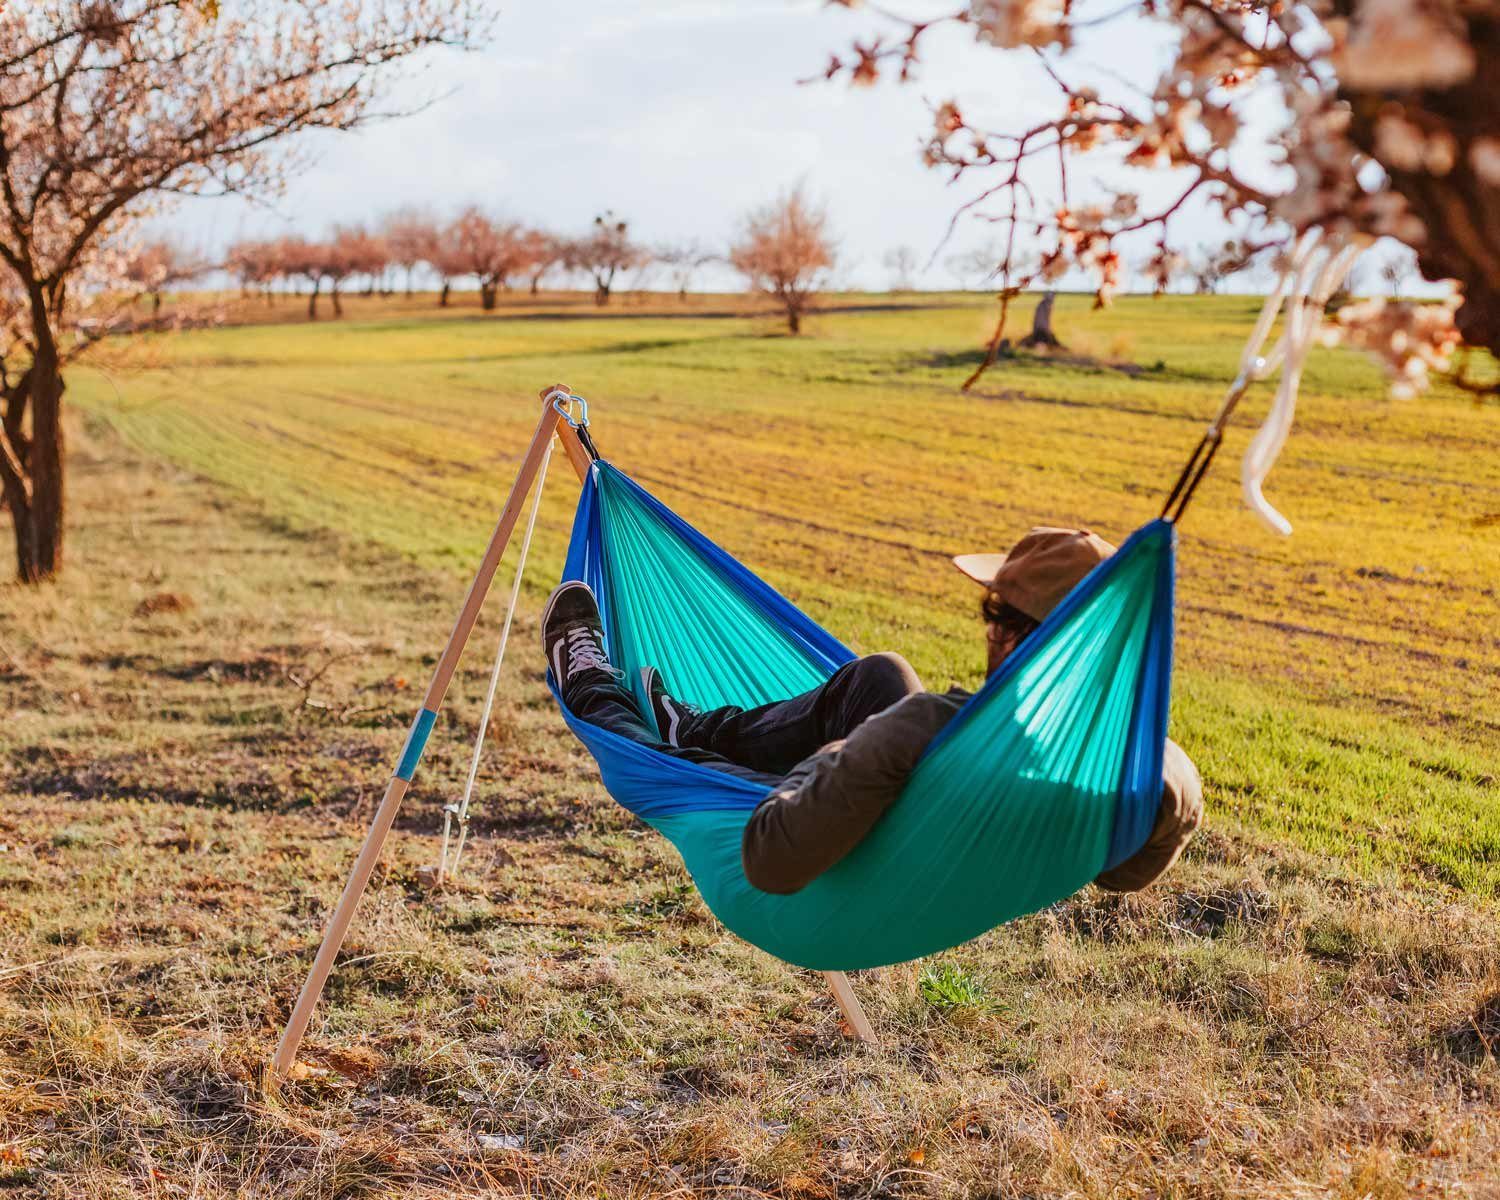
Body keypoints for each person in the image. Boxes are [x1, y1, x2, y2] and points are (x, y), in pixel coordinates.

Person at [542, 526, 1202, 896]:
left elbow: (769, 860)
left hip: (838, 848)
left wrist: (857, 754)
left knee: (677, 768)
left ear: (1009, 633)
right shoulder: (1132, 775)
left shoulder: (930, 728)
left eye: (994, 612)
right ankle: (699, 726)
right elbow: (1126, 875)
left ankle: (593, 685)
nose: (987, 627)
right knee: (878, 676)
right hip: (919, 817)